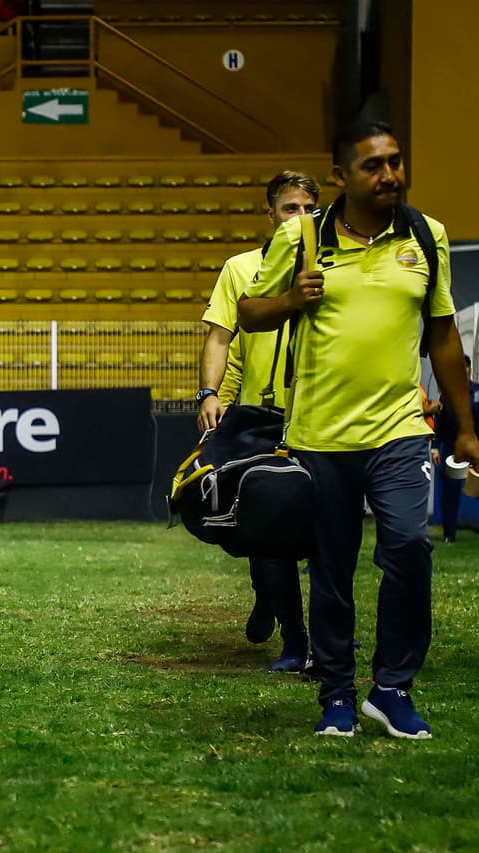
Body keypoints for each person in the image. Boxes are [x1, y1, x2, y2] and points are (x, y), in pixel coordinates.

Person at [240, 120, 478, 739]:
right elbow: (250, 312)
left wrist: (465, 427)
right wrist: (290, 301)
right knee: (331, 571)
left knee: (410, 547)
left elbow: (443, 336)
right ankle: (338, 694)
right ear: (341, 176)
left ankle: (392, 687)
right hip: (319, 437)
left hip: (400, 429)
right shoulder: (300, 236)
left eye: (395, 161)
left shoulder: (426, 235)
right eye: (373, 165)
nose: (389, 174)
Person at [196, 170, 320, 674]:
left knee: (325, 533)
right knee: (268, 532)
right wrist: (209, 394)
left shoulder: (335, 266)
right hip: (260, 417)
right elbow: (219, 337)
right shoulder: (241, 268)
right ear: (271, 214)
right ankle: (293, 637)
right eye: (290, 209)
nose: (300, 218)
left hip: (322, 415)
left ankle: (325, 630)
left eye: (308, 209)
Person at [434, 356, 479, 543]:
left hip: (476, 447)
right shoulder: (448, 393)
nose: (464, 370)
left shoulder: (477, 392)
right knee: (450, 491)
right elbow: (439, 422)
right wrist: (435, 447)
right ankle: (449, 533)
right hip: (453, 448)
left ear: (470, 369)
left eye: (466, 367)